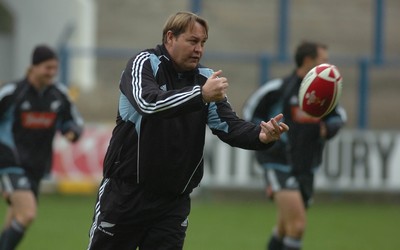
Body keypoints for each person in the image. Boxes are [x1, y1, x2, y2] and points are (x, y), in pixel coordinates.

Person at [86, 11, 289, 250]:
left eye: (203, 43)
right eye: (192, 41)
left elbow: (228, 125)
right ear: (170, 38)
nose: (199, 49)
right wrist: (200, 95)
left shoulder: (204, 78)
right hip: (125, 196)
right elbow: (148, 103)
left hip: (172, 203)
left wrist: (261, 136)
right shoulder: (143, 63)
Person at [243, 41, 346, 250]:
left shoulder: (325, 94)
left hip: (306, 166)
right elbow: (250, 111)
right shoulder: (279, 88)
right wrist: (264, 132)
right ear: (309, 61)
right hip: (277, 162)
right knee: (297, 226)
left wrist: (329, 128)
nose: (328, 65)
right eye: (323, 60)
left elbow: (339, 117)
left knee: (284, 227)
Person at [0, 44, 84, 249]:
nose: (52, 72)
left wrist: (71, 131)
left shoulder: (59, 94)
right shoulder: (13, 92)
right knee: (27, 213)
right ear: (34, 67)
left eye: (55, 68)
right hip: (10, 161)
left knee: (16, 218)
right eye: (48, 67)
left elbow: (73, 121)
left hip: (37, 166)